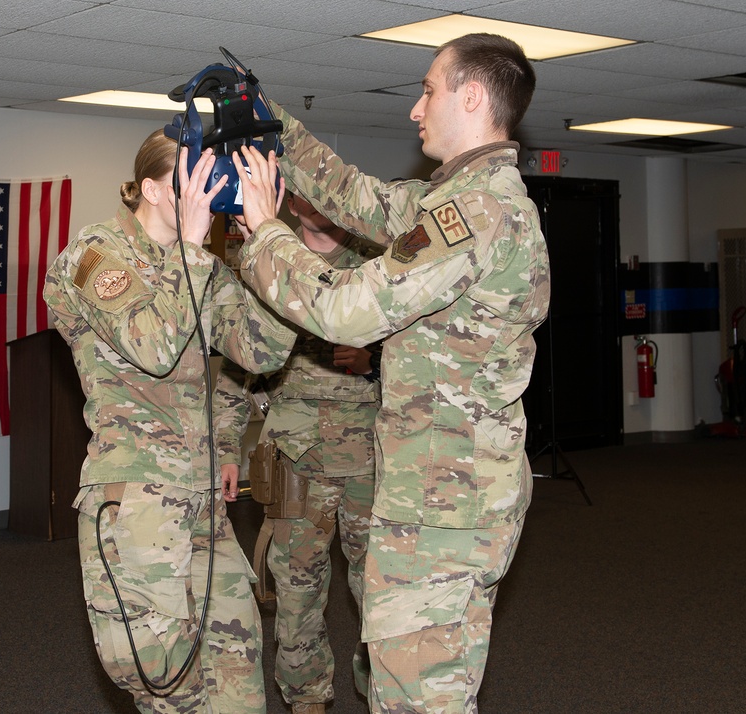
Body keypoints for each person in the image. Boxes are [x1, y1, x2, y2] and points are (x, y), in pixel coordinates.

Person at [231, 33, 551, 713]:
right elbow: (355, 197)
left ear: (471, 96)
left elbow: (346, 311)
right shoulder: (463, 201)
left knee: (416, 698)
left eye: (429, 89)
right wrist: (270, 120)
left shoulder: (475, 213)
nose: (415, 108)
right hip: (444, 493)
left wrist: (265, 231)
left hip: (443, 505)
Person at [43, 129, 295, 713]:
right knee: (163, 678)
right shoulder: (94, 256)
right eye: (197, 179)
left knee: (237, 664)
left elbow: (264, 350)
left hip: (202, 500)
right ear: (154, 189)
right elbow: (152, 346)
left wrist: (270, 242)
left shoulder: (203, 265)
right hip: (137, 499)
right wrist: (189, 248)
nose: (210, 194)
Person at [212, 191, 383, 714]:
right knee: (296, 589)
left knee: (379, 589)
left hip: (370, 461)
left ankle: (385, 692)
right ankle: (307, 699)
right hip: (295, 460)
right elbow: (237, 365)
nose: (316, 201)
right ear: (288, 201)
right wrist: (225, 447)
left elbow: (429, 358)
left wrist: (375, 358)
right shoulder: (269, 263)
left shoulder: (375, 270)